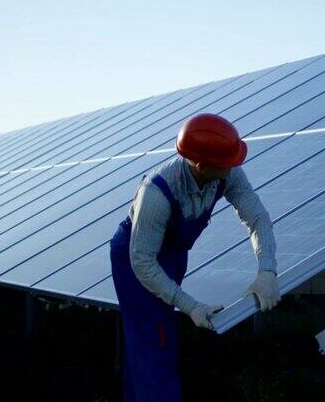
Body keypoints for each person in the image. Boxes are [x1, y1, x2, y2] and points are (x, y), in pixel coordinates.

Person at [110, 113, 280, 401]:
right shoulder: (156, 193)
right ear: (201, 166)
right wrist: (190, 306)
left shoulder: (227, 172)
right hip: (135, 261)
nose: (234, 166)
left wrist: (267, 270)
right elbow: (143, 262)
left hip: (173, 255)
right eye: (226, 163)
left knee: (154, 339)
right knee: (154, 339)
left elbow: (258, 218)